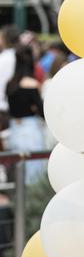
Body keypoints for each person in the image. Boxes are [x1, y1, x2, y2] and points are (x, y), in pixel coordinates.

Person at [6, 44, 46, 183]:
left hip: (15, 129)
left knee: (18, 170)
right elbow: (42, 111)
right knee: (34, 172)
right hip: (30, 129)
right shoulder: (31, 84)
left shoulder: (10, 84)